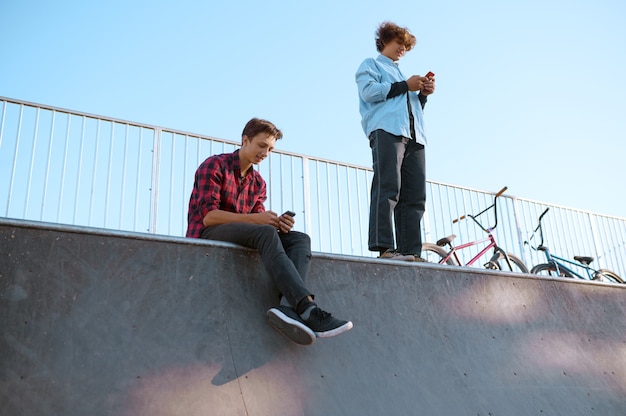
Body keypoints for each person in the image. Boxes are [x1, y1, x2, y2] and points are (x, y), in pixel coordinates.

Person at [186, 117, 352, 345]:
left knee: (299, 239)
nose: (265, 153)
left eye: (270, 149)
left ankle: (286, 309)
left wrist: (277, 223)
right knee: (264, 233)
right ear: (245, 140)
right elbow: (209, 217)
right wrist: (258, 220)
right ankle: (306, 307)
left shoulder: (258, 183)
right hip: (207, 234)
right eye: (261, 145)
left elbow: (259, 222)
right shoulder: (215, 165)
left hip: (244, 234)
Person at [355, 21, 436, 262]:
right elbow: (369, 92)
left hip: (414, 136)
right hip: (387, 131)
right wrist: (405, 86)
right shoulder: (371, 65)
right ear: (385, 40)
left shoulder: (402, 75)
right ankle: (384, 248)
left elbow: (410, 109)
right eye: (399, 42)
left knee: (415, 195)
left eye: (406, 46)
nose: (402, 48)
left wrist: (421, 94)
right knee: (388, 186)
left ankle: (411, 250)